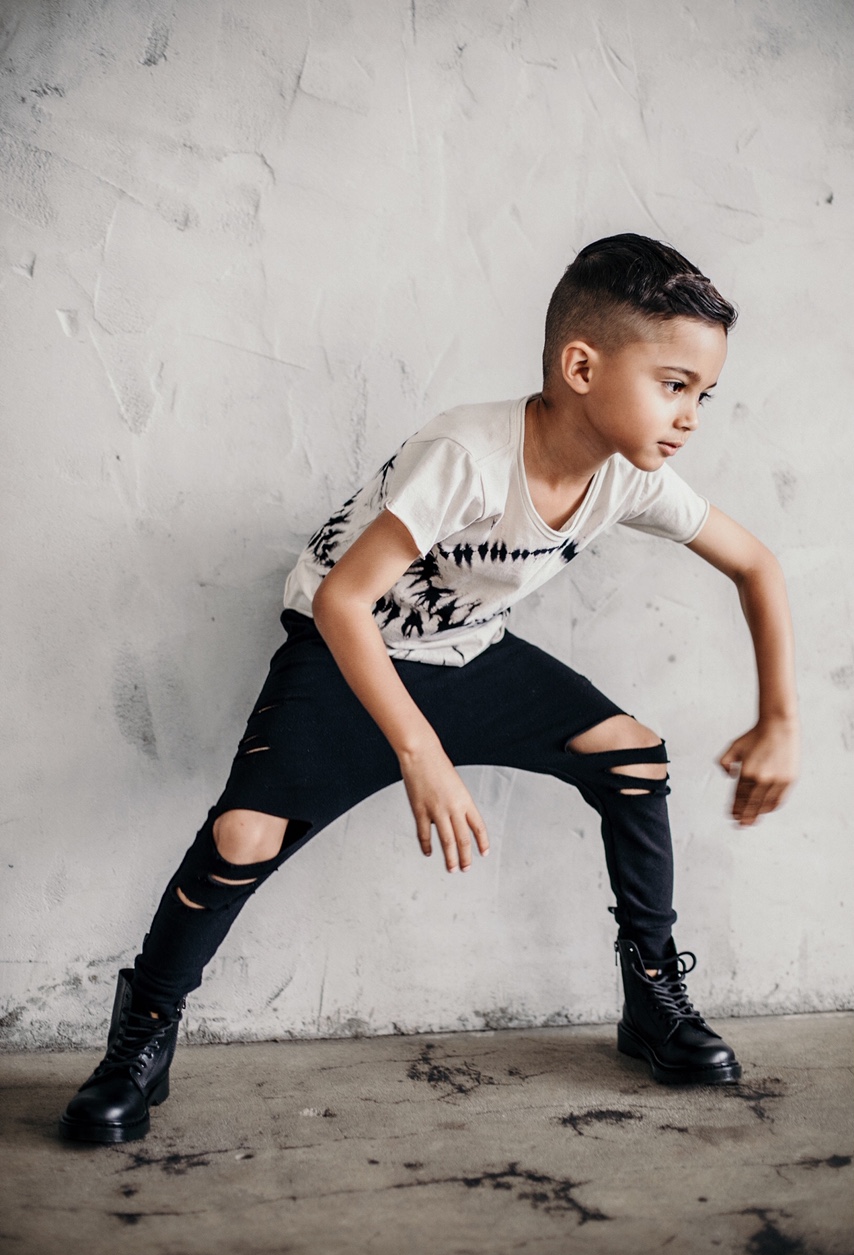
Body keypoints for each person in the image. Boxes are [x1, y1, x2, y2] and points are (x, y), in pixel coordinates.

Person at [59, 233, 799, 1144]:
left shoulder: (627, 477)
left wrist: (779, 718)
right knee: (242, 836)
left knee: (634, 756)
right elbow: (342, 601)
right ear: (581, 367)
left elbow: (757, 565)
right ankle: (141, 1036)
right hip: (346, 651)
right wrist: (420, 752)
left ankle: (652, 999)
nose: (690, 416)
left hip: (467, 653)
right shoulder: (468, 454)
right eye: (674, 385)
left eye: (703, 395)